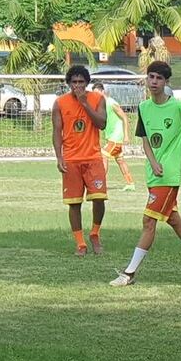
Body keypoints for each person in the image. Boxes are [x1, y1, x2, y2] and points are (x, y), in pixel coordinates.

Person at [109, 61, 181, 287]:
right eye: (151, 77)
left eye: (159, 78)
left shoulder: (178, 109)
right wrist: (153, 163)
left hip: (169, 176)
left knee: (148, 221)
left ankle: (129, 273)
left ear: (166, 82)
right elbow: (145, 142)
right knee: (172, 218)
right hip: (154, 175)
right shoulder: (143, 108)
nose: (154, 82)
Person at [52, 65, 108, 256]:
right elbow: (57, 132)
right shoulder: (60, 103)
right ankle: (80, 243)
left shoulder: (97, 99)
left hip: (93, 158)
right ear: (69, 83)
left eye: (81, 82)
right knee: (74, 203)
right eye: (74, 82)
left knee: (99, 198)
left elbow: (102, 123)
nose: (77, 86)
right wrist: (59, 156)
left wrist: (85, 104)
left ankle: (94, 233)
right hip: (71, 160)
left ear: (87, 83)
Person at [93, 82, 136, 192]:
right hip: (112, 137)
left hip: (116, 137)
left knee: (103, 155)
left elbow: (124, 117)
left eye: (97, 94)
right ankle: (130, 183)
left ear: (103, 92)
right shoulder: (101, 104)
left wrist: (126, 135)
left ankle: (100, 183)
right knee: (120, 160)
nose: (96, 96)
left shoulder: (111, 103)